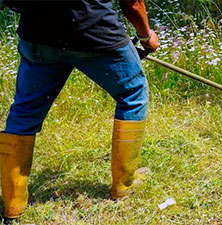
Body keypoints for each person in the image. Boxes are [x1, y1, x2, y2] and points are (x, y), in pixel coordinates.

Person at [0, 0, 159, 220]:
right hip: (95, 34)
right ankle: (124, 185)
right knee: (133, 93)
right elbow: (132, 4)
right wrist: (145, 37)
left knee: (23, 113)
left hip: (38, 35)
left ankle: (13, 204)